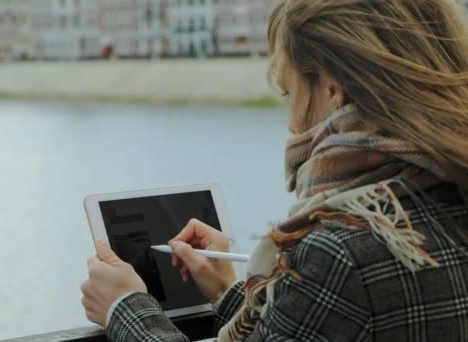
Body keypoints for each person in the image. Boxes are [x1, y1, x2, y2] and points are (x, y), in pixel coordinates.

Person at [81, 0, 468, 340]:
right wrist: (226, 293)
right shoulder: (448, 194)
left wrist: (126, 307)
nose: (292, 126)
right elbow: (327, 326)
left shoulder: (338, 251)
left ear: (333, 89)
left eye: (289, 92)